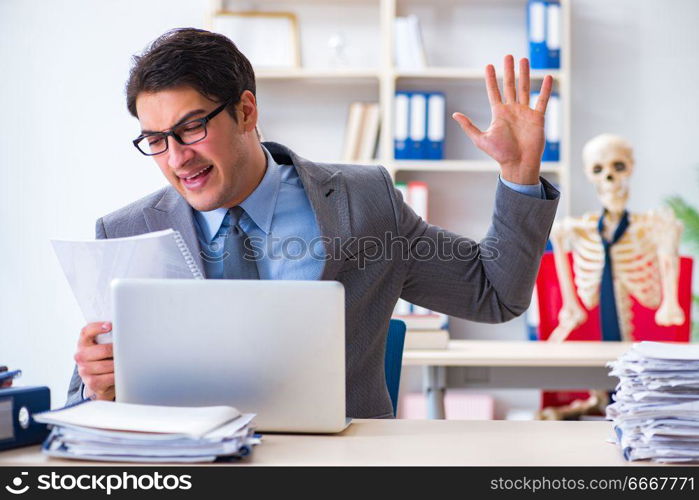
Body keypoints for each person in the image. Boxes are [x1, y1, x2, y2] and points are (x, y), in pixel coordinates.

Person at [68, 28, 559, 418]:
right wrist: (98, 386)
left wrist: (519, 175)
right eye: (155, 139)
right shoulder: (125, 232)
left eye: (191, 127)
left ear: (245, 111)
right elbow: (80, 411)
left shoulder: (364, 202)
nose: (177, 158)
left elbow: (493, 293)